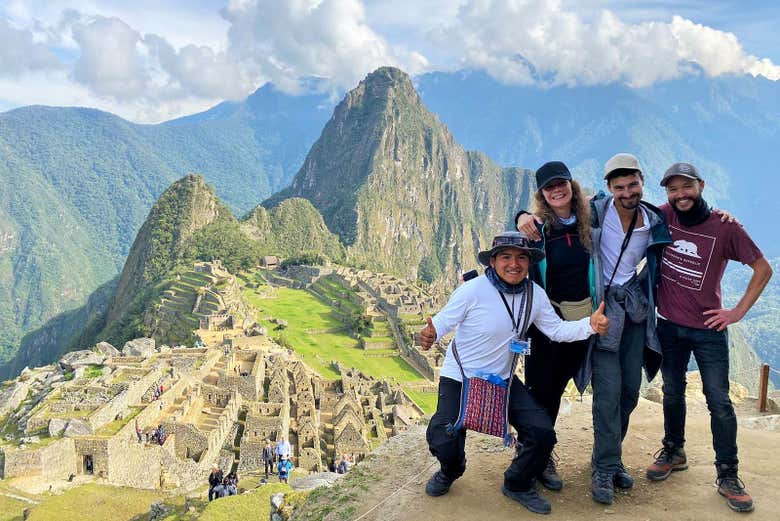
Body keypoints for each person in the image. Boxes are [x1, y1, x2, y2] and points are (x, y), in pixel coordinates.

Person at [420, 231, 609, 515]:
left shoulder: (535, 295)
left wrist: (589, 326)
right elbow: (444, 322)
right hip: (461, 377)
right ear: (493, 261)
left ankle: (518, 483)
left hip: (502, 380)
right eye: (506, 257)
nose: (514, 264)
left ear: (529, 263)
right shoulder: (473, 290)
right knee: (443, 437)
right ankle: (451, 469)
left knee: (542, 433)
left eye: (521, 257)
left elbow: (556, 330)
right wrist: (431, 334)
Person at [645, 163, 772, 513]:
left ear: (701, 185)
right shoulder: (662, 215)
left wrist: (736, 312)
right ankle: (674, 450)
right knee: (672, 392)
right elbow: (615, 210)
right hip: (668, 325)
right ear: (667, 193)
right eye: (673, 189)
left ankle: (728, 474)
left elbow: (763, 268)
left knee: (719, 401)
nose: (680, 194)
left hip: (708, 331)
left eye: (687, 187)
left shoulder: (725, 227)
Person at [514, 161, 594, 491]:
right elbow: (511, 255)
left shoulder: (592, 222)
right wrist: (519, 215)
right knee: (538, 390)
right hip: (544, 325)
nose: (556, 190)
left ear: (572, 186)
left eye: (561, 183)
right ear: (542, 195)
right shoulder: (538, 231)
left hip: (579, 324)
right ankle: (530, 452)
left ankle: (542, 452)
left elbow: (627, 205)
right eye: (549, 187)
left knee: (556, 390)